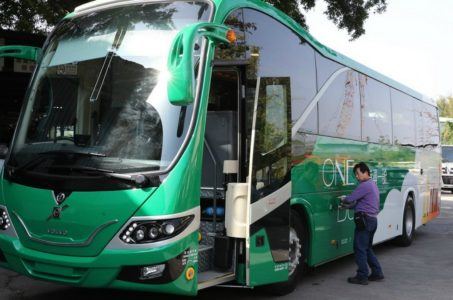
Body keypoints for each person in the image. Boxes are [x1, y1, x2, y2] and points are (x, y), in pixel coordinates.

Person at [340, 162, 384, 285]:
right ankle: (377, 272)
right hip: (372, 220)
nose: (357, 177)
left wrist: (343, 199)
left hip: (365, 222)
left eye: (358, 174)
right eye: (356, 175)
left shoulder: (364, 185)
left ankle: (362, 276)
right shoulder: (372, 185)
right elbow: (360, 203)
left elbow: (351, 198)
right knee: (367, 248)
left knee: (359, 248)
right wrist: (348, 206)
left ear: (365, 172)